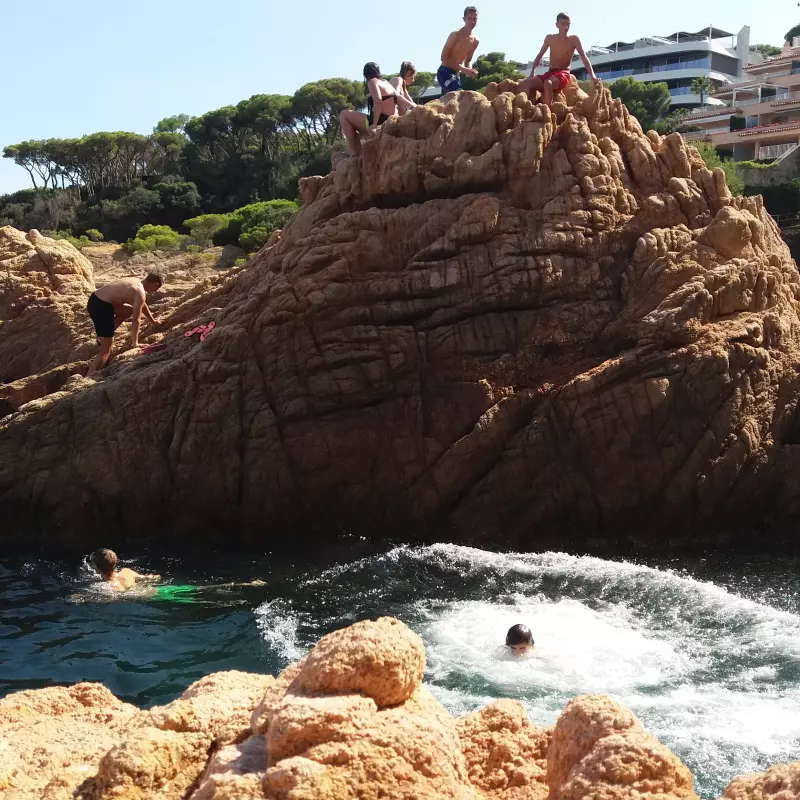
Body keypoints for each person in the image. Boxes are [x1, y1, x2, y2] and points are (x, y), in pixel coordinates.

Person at [516, 12, 599, 108]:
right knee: (528, 82)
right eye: (563, 24)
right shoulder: (550, 38)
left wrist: (593, 76)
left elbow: (584, 57)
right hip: (549, 73)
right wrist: (532, 73)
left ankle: (547, 114)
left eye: (568, 24)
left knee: (548, 83)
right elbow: (539, 55)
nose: (566, 27)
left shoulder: (574, 39)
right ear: (557, 25)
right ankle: (527, 109)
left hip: (563, 74)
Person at [87, 272, 164, 374]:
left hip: (94, 300)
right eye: (157, 289)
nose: (155, 291)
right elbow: (136, 319)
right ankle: (90, 375)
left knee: (128, 310)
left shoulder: (136, 281)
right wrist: (135, 343)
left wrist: (153, 321)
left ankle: (103, 335)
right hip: (102, 307)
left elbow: (142, 306)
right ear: (156, 284)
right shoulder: (140, 292)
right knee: (107, 349)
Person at [340, 62, 415, 156]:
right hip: (390, 120)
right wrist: (412, 106)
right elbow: (399, 98)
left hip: (380, 121)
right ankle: (358, 152)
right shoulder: (386, 83)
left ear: (366, 75)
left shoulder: (372, 82)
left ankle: (353, 151)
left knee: (344, 114)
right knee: (352, 121)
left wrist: (374, 125)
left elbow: (378, 101)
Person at [437, 7, 479, 95]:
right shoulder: (455, 35)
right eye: (469, 18)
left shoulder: (475, 41)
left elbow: (468, 60)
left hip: (456, 74)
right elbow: (443, 57)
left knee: (448, 103)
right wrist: (463, 69)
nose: (472, 21)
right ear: (464, 19)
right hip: (445, 71)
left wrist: (470, 70)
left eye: (475, 19)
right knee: (459, 96)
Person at [89, 548, 160, 591]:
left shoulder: (107, 587)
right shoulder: (126, 572)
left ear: (98, 569)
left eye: (92, 564)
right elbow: (150, 578)